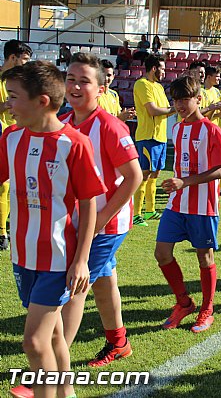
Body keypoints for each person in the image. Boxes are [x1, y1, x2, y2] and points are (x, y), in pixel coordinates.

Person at [1, 60, 105, 398]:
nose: (8, 105)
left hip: (59, 260)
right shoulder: (11, 137)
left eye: (13, 97)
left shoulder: (73, 144)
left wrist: (82, 260)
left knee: (34, 342)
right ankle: (67, 393)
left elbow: (89, 203)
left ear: (41, 101)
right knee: (56, 336)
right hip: (22, 255)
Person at [59, 52, 142, 366]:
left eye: (84, 81)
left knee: (74, 286)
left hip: (106, 225)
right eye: (71, 80)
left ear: (101, 89)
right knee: (104, 281)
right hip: (79, 223)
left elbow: (134, 176)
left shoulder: (110, 127)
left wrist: (98, 221)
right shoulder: (63, 122)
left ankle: (52, 367)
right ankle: (118, 343)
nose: (76, 87)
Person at [154, 75, 221, 333]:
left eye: (185, 99)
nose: (179, 105)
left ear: (198, 99)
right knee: (162, 253)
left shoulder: (211, 129)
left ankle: (207, 309)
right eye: (176, 100)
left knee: (204, 257)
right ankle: (184, 302)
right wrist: (176, 183)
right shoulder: (177, 129)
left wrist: (185, 182)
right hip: (177, 203)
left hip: (203, 205)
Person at [133, 55, 176, 226]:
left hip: (160, 137)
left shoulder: (158, 86)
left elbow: (165, 109)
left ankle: (150, 211)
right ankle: (136, 214)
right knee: (144, 173)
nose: (164, 72)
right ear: (153, 68)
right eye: (162, 68)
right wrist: (174, 108)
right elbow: (152, 110)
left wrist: (176, 108)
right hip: (147, 136)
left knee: (155, 173)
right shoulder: (142, 84)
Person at [0, 39, 32, 251]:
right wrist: (10, 103)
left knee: (14, 184)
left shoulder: (21, 81)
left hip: (18, 135)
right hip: (2, 136)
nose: (26, 63)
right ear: (13, 57)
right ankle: (2, 232)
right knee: (5, 184)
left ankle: (7, 228)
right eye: (24, 59)